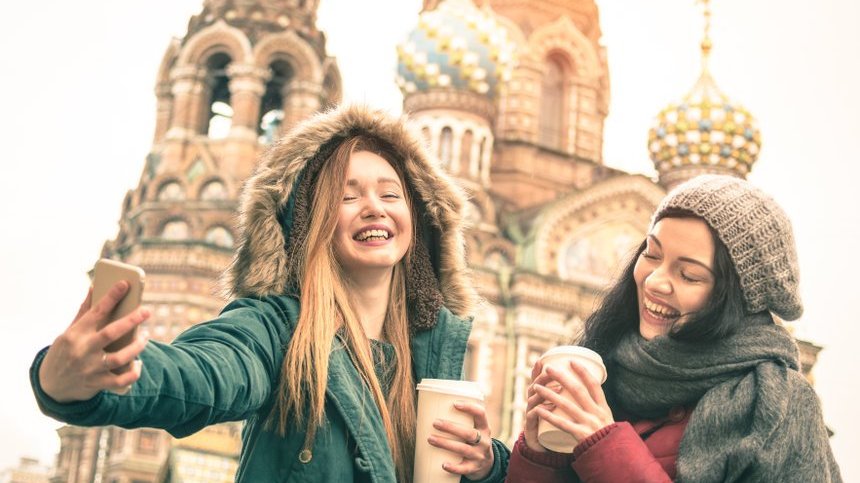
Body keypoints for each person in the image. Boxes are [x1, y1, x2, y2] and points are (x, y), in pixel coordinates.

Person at [30, 104, 510, 483]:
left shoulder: (433, 345)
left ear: (418, 220)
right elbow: (208, 371)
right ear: (309, 223)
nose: (372, 208)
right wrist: (84, 376)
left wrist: (487, 465)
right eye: (347, 196)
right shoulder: (279, 329)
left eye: (390, 195)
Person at [505, 174, 842, 482]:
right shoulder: (608, 364)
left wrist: (604, 445)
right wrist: (539, 456)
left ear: (735, 298)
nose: (654, 282)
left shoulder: (777, 401)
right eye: (652, 255)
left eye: (689, 275)